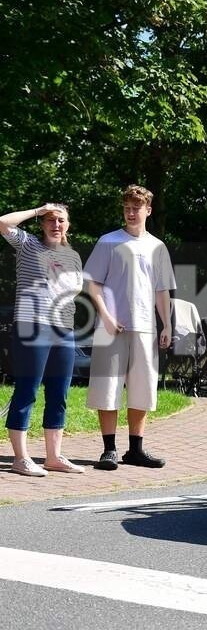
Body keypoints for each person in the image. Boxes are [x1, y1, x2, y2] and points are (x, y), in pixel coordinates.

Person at [84, 185, 175, 470]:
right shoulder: (108, 241)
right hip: (111, 327)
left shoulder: (157, 246)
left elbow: (162, 290)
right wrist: (107, 317)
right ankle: (108, 450)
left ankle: (135, 449)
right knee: (107, 386)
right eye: (127, 208)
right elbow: (92, 284)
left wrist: (167, 325)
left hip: (146, 327)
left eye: (137, 208)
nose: (131, 212)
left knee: (142, 389)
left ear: (148, 210)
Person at [1, 203, 85, 476]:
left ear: (68, 225)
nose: (55, 224)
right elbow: (3, 223)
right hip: (32, 327)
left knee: (59, 394)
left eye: (60, 220)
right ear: (42, 224)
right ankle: (21, 458)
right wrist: (38, 209)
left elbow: (73, 292)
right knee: (28, 390)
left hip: (64, 330)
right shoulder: (28, 245)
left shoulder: (73, 256)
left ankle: (53, 457)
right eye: (50, 219)